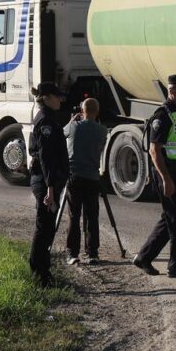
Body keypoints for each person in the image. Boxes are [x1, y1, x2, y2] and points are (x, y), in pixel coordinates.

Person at [133, 74, 176, 279]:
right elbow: (155, 151)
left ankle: (144, 257)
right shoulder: (163, 116)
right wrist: (166, 179)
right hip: (167, 172)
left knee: (171, 218)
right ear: (172, 91)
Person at [28, 81, 69, 287]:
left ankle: (43, 271)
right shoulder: (45, 122)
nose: (60, 99)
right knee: (44, 228)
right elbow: (46, 158)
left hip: (47, 182)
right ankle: (39, 273)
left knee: (47, 227)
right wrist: (51, 189)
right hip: (45, 183)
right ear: (46, 98)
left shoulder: (48, 118)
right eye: (56, 96)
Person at [63, 96, 108, 264]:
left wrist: (72, 120)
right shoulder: (102, 130)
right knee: (92, 215)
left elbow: (62, 133)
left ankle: (72, 253)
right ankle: (92, 253)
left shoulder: (74, 127)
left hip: (75, 175)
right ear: (97, 112)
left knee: (74, 215)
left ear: (82, 111)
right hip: (93, 177)